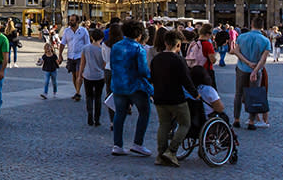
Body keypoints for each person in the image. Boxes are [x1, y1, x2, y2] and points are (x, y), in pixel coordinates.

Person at [150, 29, 198, 167]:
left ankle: (160, 155)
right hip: (176, 98)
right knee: (185, 123)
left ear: (165, 43)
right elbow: (186, 80)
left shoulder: (156, 59)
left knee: (164, 125)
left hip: (159, 97)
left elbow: (152, 78)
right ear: (178, 45)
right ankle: (171, 151)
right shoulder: (179, 60)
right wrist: (195, 93)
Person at [110, 19, 153, 156]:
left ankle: (117, 145)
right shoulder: (138, 48)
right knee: (144, 112)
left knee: (119, 114)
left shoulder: (116, 46)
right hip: (135, 86)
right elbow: (143, 70)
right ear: (139, 34)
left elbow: (112, 65)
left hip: (118, 85)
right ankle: (137, 143)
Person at [231, 15, 270, 130]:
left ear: (251, 25)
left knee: (238, 94)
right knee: (254, 94)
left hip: (242, 68)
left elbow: (236, 51)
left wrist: (247, 62)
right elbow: (263, 59)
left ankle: (236, 119)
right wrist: (255, 70)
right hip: (256, 70)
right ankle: (251, 122)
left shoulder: (242, 37)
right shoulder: (265, 40)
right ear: (262, 27)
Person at [58, 14, 90, 101]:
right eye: (70, 20)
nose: (70, 22)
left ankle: (78, 92)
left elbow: (87, 44)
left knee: (78, 74)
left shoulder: (83, 31)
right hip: (70, 56)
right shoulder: (67, 31)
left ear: (77, 21)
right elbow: (63, 43)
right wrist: (60, 55)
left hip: (80, 55)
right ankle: (77, 91)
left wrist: (88, 56)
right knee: (74, 75)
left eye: (72, 20)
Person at [78, 28, 106, 127]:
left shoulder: (86, 48)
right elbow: (104, 64)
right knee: (98, 97)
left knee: (89, 96)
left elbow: (82, 63)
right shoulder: (103, 49)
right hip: (99, 76)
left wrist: (79, 75)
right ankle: (97, 119)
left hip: (88, 75)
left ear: (91, 37)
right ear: (102, 38)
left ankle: (90, 115)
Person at [197, 23, 218, 88]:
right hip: (206, 70)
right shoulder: (208, 44)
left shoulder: (194, 43)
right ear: (207, 34)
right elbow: (212, 60)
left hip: (196, 69)